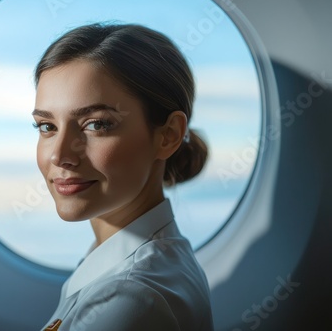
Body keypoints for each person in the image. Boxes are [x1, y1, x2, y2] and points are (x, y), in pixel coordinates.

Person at [32, 22, 213, 331]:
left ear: (168, 136)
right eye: (47, 126)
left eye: (96, 125)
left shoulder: (129, 300)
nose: (59, 155)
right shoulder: (147, 261)